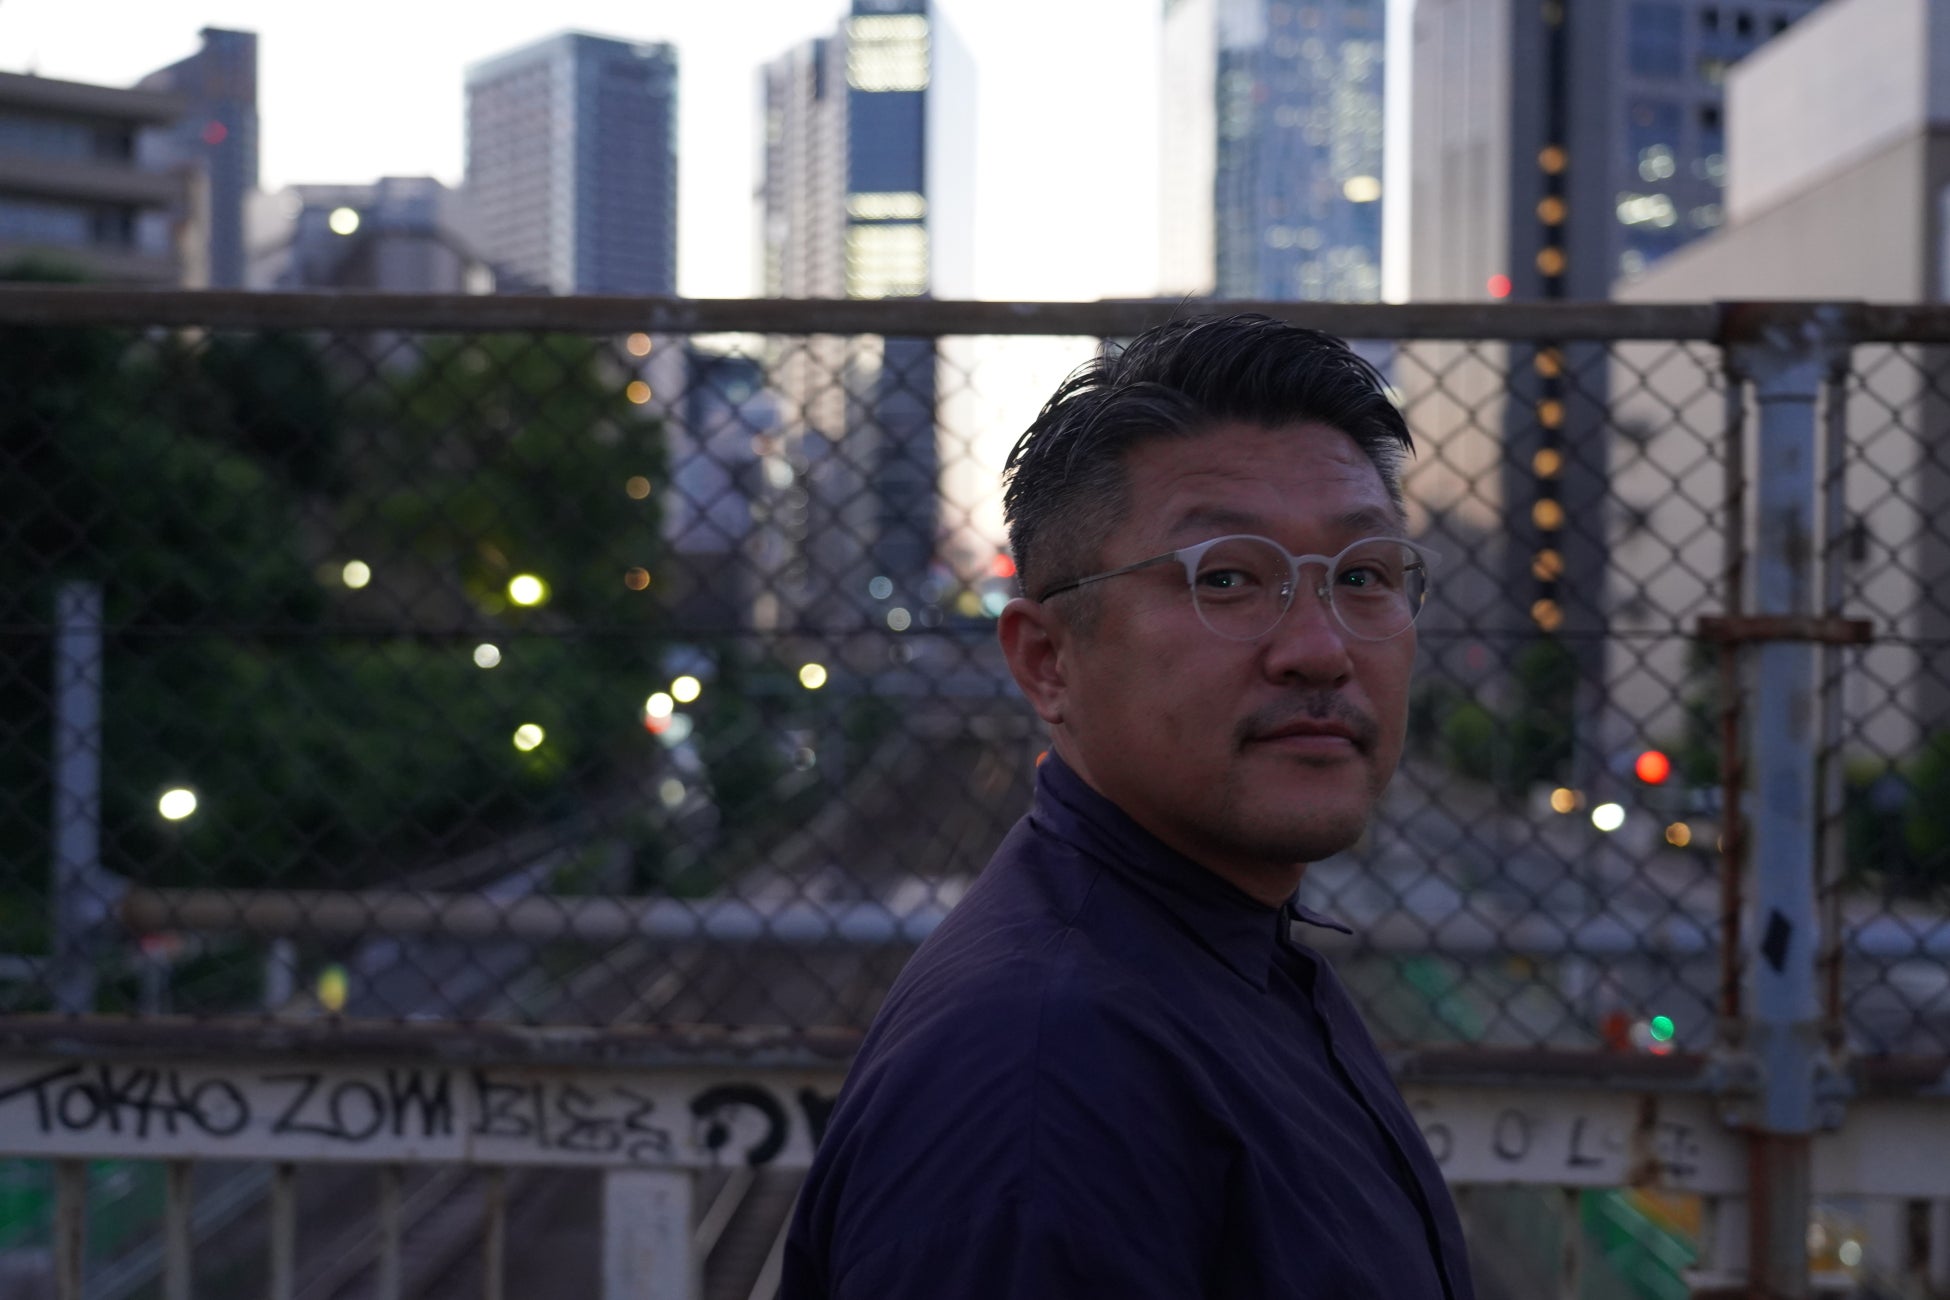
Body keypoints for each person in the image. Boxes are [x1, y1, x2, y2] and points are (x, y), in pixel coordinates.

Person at [781, 314, 1475, 1299]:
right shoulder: (1047, 1084)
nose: (1321, 650)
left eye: (1364, 576)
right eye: (1226, 578)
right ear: (1047, 661)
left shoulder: (1220, 956)